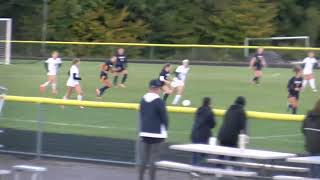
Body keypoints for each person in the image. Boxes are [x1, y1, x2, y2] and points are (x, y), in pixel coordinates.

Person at [137, 79, 169, 180]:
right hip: (157, 134)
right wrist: (166, 130)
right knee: (153, 159)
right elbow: (164, 118)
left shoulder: (143, 99)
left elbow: (142, 114)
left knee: (143, 159)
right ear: (157, 88)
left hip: (144, 132)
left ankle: (140, 178)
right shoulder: (159, 101)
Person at [190, 97, 216, 165]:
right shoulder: (210, 111)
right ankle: (200, 168)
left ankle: (194, 168)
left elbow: (196, 120)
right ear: (209, 103)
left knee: (195, 153)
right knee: (203, 153)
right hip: (204, 135)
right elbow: (213, 124)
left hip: (194, 133)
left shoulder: (199, 109)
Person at [302, 100, 320, 178]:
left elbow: (303, 130)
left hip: (310, 147)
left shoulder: (308, 116)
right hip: (318, 148)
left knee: (312, 169)